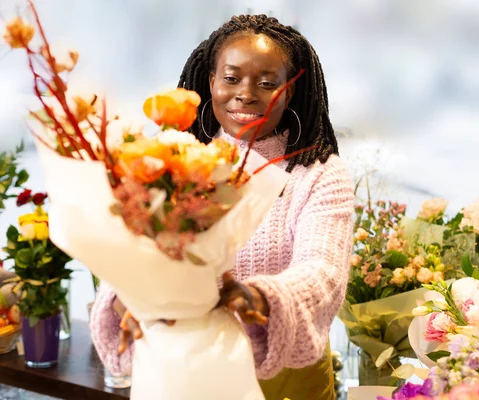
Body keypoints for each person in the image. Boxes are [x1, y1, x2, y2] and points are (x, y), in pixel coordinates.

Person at [90, 14, 354, 400]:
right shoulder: (172, 158)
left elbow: (324, 272)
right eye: (231, 78)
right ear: (210, 81)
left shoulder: (319, 174)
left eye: (267, 83)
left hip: (285, 377)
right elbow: (131, 253)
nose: (246, 94)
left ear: (290, 90)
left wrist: (259, 297)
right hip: (182, 366)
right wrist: (127, 297)